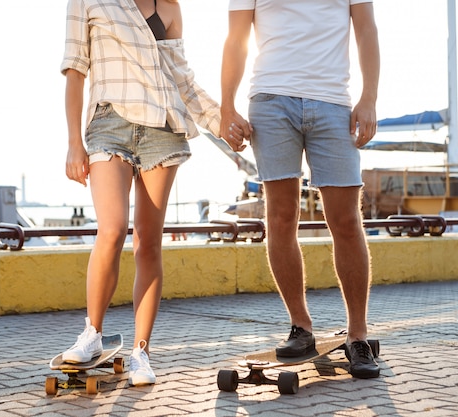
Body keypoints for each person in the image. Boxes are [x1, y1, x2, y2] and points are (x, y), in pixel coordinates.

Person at [60, 0, 249, 386]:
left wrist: (223, 121)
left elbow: (182, 79)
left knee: (148, 242)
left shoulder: (170, 7)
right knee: (112, 229)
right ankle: (91, 334)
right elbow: (75, 71)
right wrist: (74, 143)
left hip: (163, 130)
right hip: (108, 124)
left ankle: (141, 353)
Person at [221, 0, 381, 378]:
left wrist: (369, 97)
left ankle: (357, 334)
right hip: (270, 102)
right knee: (279, 217)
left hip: (333, 103)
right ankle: (301, 327)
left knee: (345, 219)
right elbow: (236, 38)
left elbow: (367, 31)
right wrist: (226, 106)